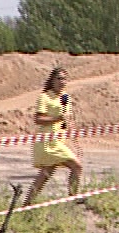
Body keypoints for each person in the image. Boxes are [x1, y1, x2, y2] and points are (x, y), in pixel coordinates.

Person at [25, 67, 81, 204]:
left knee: (46, 173)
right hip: (47, 140)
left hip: (60, 139)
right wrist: (57, 118)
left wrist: (72, 129)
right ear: (52, 80)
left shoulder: (66, 97)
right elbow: (38, 119)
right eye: (59, 78)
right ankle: (73, 198)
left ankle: (27, 205)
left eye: (64, 79)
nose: (62, 82)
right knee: (76, 166)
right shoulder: (44, 97)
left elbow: (67, 118)